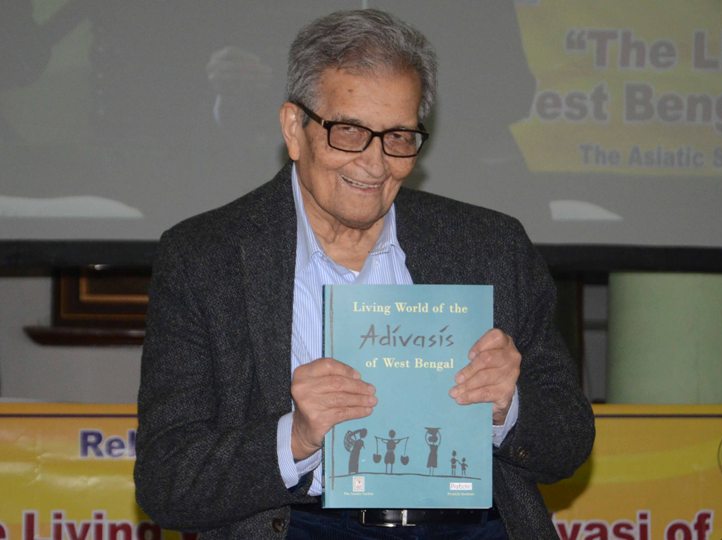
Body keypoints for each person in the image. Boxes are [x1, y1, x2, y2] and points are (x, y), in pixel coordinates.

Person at [134, 8, 594, 539]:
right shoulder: (205, 259)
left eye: (398, 137)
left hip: (472, 525)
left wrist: (508, 408)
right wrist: (295, 438)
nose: (374, 165)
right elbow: (167, 481)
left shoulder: (491, 246)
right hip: (300, 522)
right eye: (348, 132)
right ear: (294, 128)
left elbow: (570, 439)